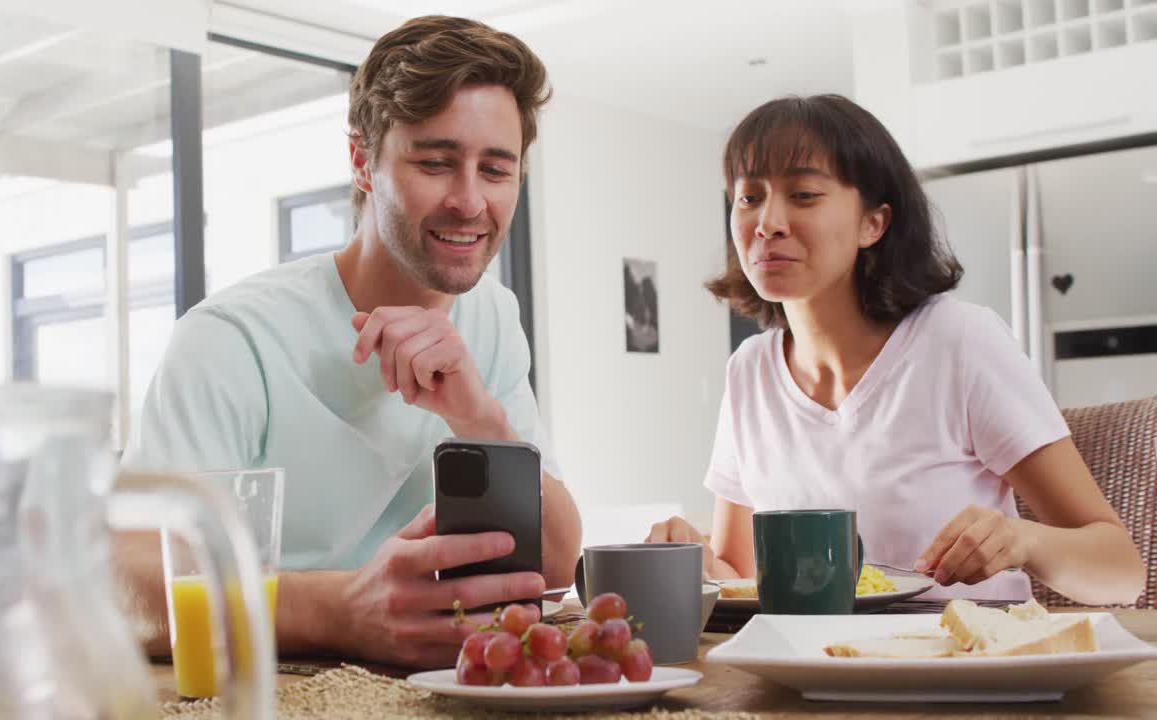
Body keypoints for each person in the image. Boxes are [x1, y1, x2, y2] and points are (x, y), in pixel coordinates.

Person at [117, 15, 581, 668]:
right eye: (436, 163)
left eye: (496, 170)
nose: (471, 201)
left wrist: (481, 421)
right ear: (363, 160)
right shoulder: (230, 341)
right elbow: (128, 589)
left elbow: (554, 564)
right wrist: (339, 610)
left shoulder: (493, 318)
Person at [648, 94, 1144, 605]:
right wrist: (694, 561)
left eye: (803, 194)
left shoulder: (959, 342)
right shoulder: (748, 372)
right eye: (749, 197)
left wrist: (1025, 540)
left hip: (957, 667)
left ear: (874, 223)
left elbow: (1122, 573)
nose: (766, 222)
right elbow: (738, 572)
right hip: (805, 668)